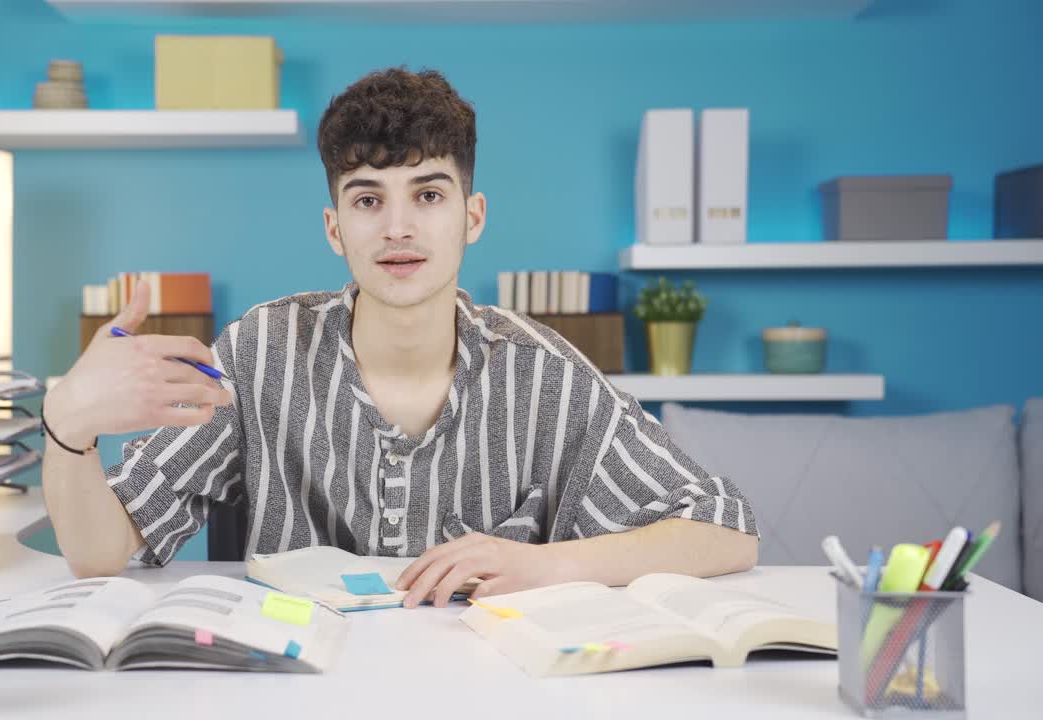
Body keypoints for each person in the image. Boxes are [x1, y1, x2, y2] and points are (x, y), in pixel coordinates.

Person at [41, 67, 758, 608]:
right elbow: (99, 552)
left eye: (429, 194)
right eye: (367, 200)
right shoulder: (258, 353)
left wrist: (546, 565)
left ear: (471, 217)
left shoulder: (545, 375)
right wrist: (68, 425)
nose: (398, 228)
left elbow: (725, 529)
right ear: (335, 228)